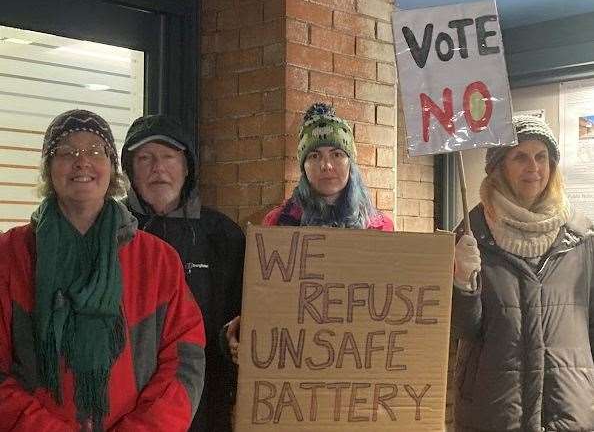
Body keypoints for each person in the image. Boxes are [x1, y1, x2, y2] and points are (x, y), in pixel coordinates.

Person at [0, 110, 206, 432]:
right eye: (66, 152)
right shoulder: (10, 255)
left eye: (96, 151)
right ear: (48, 170)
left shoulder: (158, 260)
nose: (82, 162)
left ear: (112, 169)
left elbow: (185, 360)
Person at [452, 115, 594, 431]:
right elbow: (463, 329)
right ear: (500, 166)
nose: (534, 167)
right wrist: (461, 282)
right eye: (521, 157)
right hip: (494, 413)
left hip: (569, 410)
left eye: (541, 157)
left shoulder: (583, 238)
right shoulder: (470, 236)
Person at [225, 102, 394, 363]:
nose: (326, 165)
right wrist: (246, 323)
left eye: (337, 153)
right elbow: (264, 295)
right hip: (299, 358)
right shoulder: (279, 223)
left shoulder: (379, 226)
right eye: (314, 156)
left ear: (351, 161)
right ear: (303, 167)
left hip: (358, 357)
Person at [121, 114, 245, 432]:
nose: (157, 168)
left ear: (187, 166)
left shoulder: (222, 235)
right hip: (128, 405)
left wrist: (237, 333)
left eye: (168, 157)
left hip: (205, 400)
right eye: (145, 158)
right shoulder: (109, 233)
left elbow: (246, 310)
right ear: (130, 170)